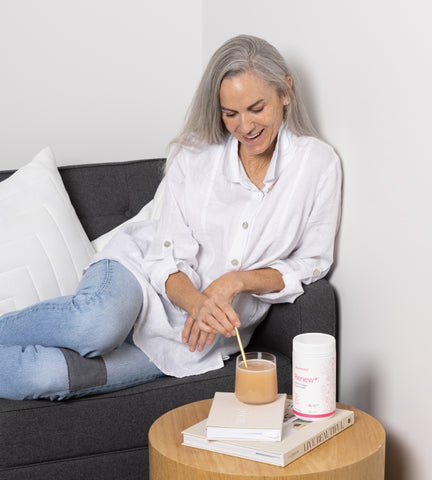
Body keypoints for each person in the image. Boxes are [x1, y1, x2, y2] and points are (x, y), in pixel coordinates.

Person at [0, 35, 342, 400]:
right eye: (230, 114)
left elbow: (313, 263)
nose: (245, 126)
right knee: (95, 327)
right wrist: (198, 302)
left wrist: (235, 282)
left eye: (257, 108)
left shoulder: (318, 165)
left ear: (285, 92)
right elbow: (163, 257)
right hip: (140, 276)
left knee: (44, 376)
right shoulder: (194, 156)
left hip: (192, 341)